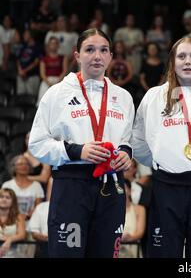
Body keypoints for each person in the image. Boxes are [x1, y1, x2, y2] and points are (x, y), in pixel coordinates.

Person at [28, 28, 135, 258]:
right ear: (77, 56)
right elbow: (37, 144)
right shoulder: (56, 94)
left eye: (103, 50)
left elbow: (127, 139)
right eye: (90, 50)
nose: (97, 56)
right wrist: (77, 151)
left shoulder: (123, 97)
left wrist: (126, 152)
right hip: (72, 185)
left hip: (111, 186)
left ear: (110, 56)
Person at [131, 36, 191, 258]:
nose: (188, 62)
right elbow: (138, 141)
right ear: (172, 61)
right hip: (167, 188)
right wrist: (160, 160)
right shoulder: (154, 97)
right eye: (181, 56)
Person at [0, 188, 26, 258]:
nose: (4, 199)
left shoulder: (19, 216)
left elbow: (22, 235)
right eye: (1, 197)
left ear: (13, 201)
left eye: (8, 197)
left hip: (13, 252)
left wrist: (9, 239)